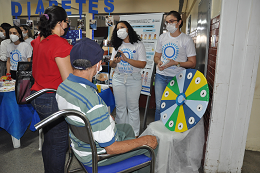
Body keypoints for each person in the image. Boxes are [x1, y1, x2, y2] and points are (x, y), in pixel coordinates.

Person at [56, 38, 157, 172]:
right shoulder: (92, 101)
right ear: (98, 64)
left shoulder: (63, 87)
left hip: (80, 145)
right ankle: (136, 164)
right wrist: (144, 141)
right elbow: (112, 148)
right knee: (151, 145)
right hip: (99, 155)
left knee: (127, 128)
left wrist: (105, 118)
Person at [30, 6, 72, 173]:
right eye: (66, 23)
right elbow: (68, 80)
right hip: (51, 99)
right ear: (60, 23)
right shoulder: (60, 44)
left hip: (37, 95)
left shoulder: (39, 39)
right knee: (58, 144)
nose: (67, 27)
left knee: (50, 140)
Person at [154, 10, 196, 121]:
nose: (169, 24)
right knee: (159, 107)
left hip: (177, 77)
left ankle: (170, 134)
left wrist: (176, 63)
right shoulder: (162, 38)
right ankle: (156, 135)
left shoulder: (186, 40)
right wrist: (159, 62)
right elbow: (156, 56)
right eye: (167, 22)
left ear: (179, 22)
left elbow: (192, 63)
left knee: (174, 106)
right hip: (160, 76)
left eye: (171, 21)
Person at [109, 21, 147, 137]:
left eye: (122, 27)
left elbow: (142, 64)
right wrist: (115, 62)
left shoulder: (138, 45)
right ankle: (121, 132)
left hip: (133, 79)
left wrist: (126, 60)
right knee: (120, 107)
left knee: (133, 107)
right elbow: (111, 64)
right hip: (118, 78)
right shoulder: (117, 45)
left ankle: (134, 134)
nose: (119, 30)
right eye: (117, 28)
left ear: (128, 29)